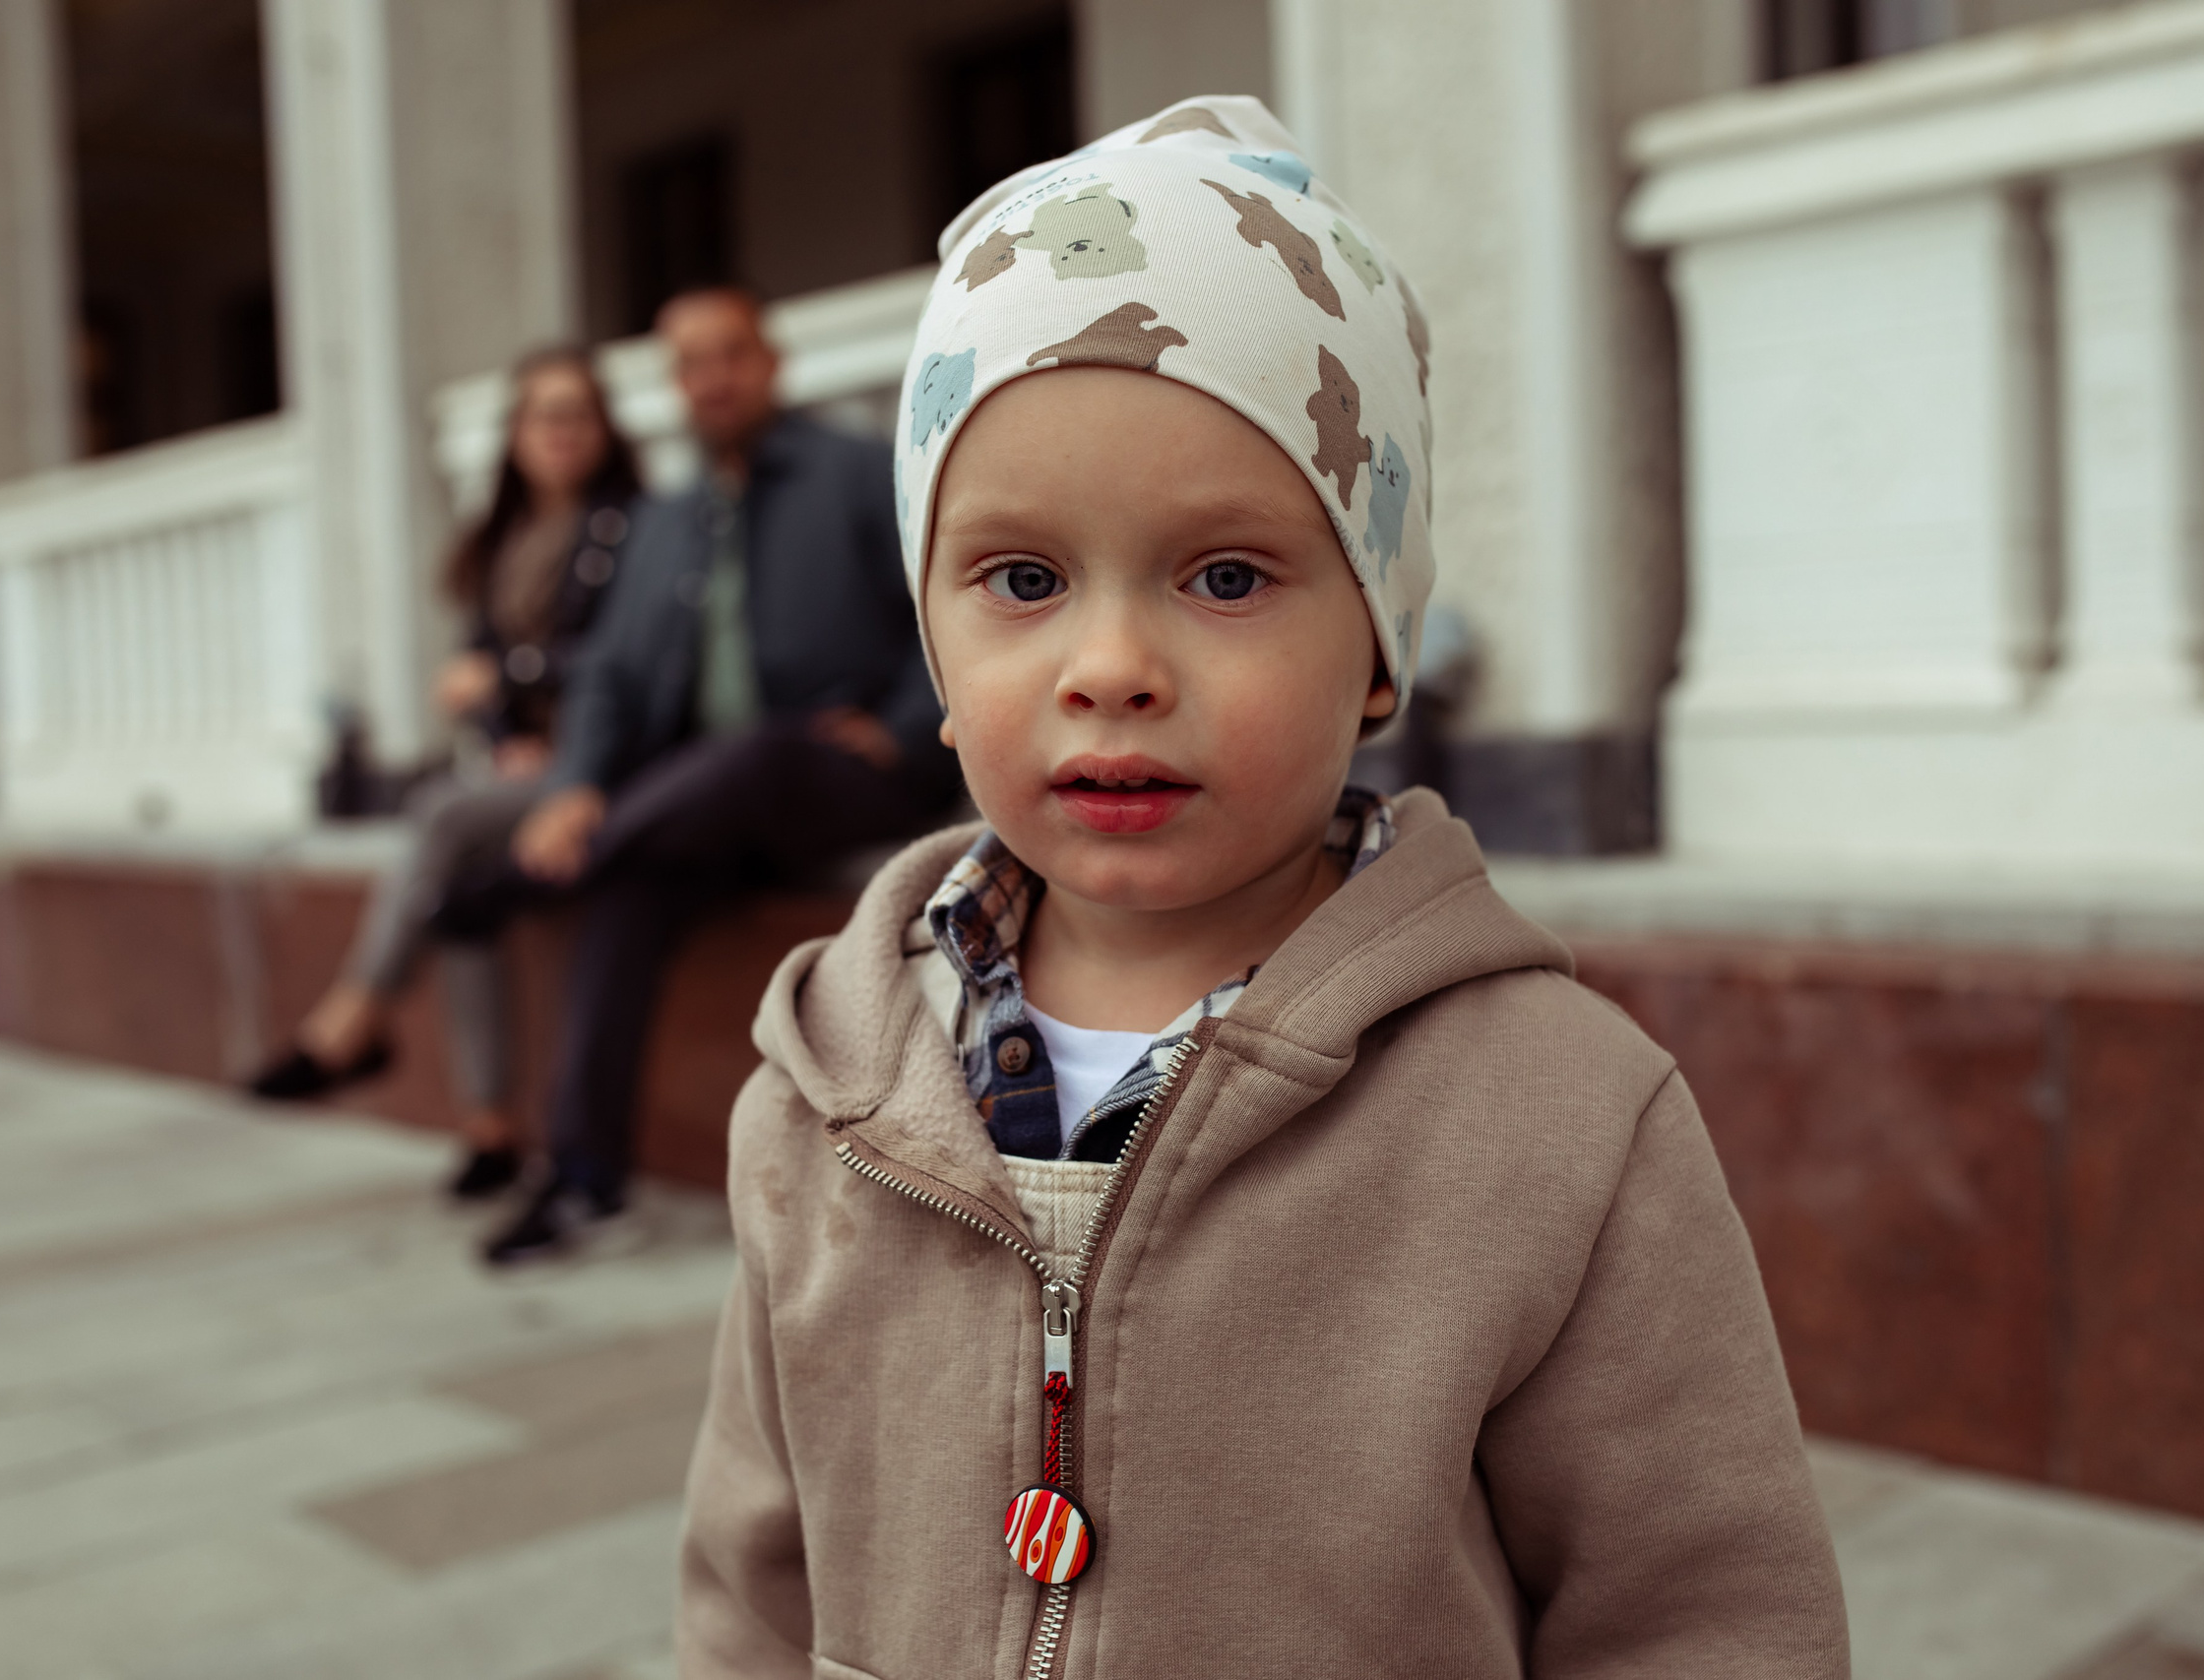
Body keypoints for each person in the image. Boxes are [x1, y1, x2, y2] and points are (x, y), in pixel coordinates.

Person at [673, 96, 1849, 1677]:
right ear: (933, 654)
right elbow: (751, 1586)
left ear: (1377, 645)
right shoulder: (821, 1090)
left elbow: (1707, 1616)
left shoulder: (1559, 1120)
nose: (1111, 667)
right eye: (1021, 579)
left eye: (1226, 576)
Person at [454, 285, 959, 1266]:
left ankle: (518, 883)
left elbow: (949, 599)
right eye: (691, 363)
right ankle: (583, 1182)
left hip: (845, 778)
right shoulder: (664, 519)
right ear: (674, 384)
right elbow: (603, 673)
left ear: (770, 362)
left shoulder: (856, 472)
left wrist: (899, 727)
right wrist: (578, 785)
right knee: (626, 892)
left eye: (731, 355)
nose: (712, 379)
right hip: (696, 809)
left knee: (761, 749)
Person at [246, 347, 640, 1201]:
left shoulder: (630, 526)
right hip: (521, 768)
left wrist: (517, 686)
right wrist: (502, 725)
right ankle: (489, 1127)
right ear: (516, 435)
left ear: (604, 428)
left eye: (578, 412)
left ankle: (356, 1015)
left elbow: (622, 660)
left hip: (603, 765)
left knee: (438, 816)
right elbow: (478, 657)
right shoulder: (502, 537)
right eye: (545, 414)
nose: (562, 431)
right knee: (460, 882)